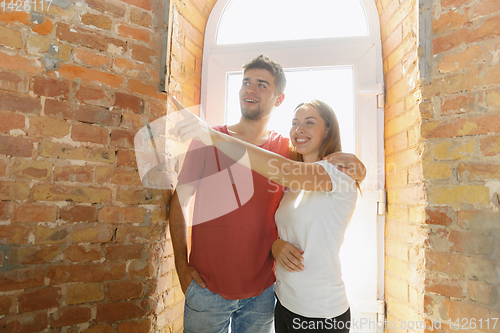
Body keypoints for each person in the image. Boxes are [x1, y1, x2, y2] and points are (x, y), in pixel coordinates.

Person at [168, 55, 364, 333]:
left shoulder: (287, 152)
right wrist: (180, 264)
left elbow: (307, 171)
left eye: (262, 84)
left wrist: (360, 168)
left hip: (263, 294)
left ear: (278, 99)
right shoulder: (206, 140)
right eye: (246, 82)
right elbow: (180, 203)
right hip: (206, 287)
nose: (251, 89)